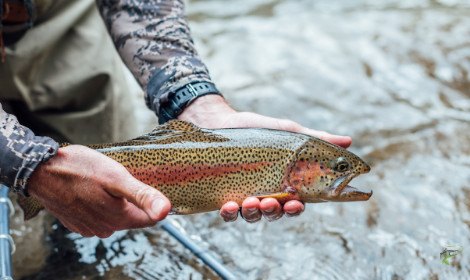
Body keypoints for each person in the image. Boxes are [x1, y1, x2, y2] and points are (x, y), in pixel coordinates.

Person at [0, 0, 352, 238]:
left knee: (100, 205)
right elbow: (28, 162)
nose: (340, 174)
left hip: (50, 28)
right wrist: (30, 164)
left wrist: (191, 99)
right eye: (336, 168)